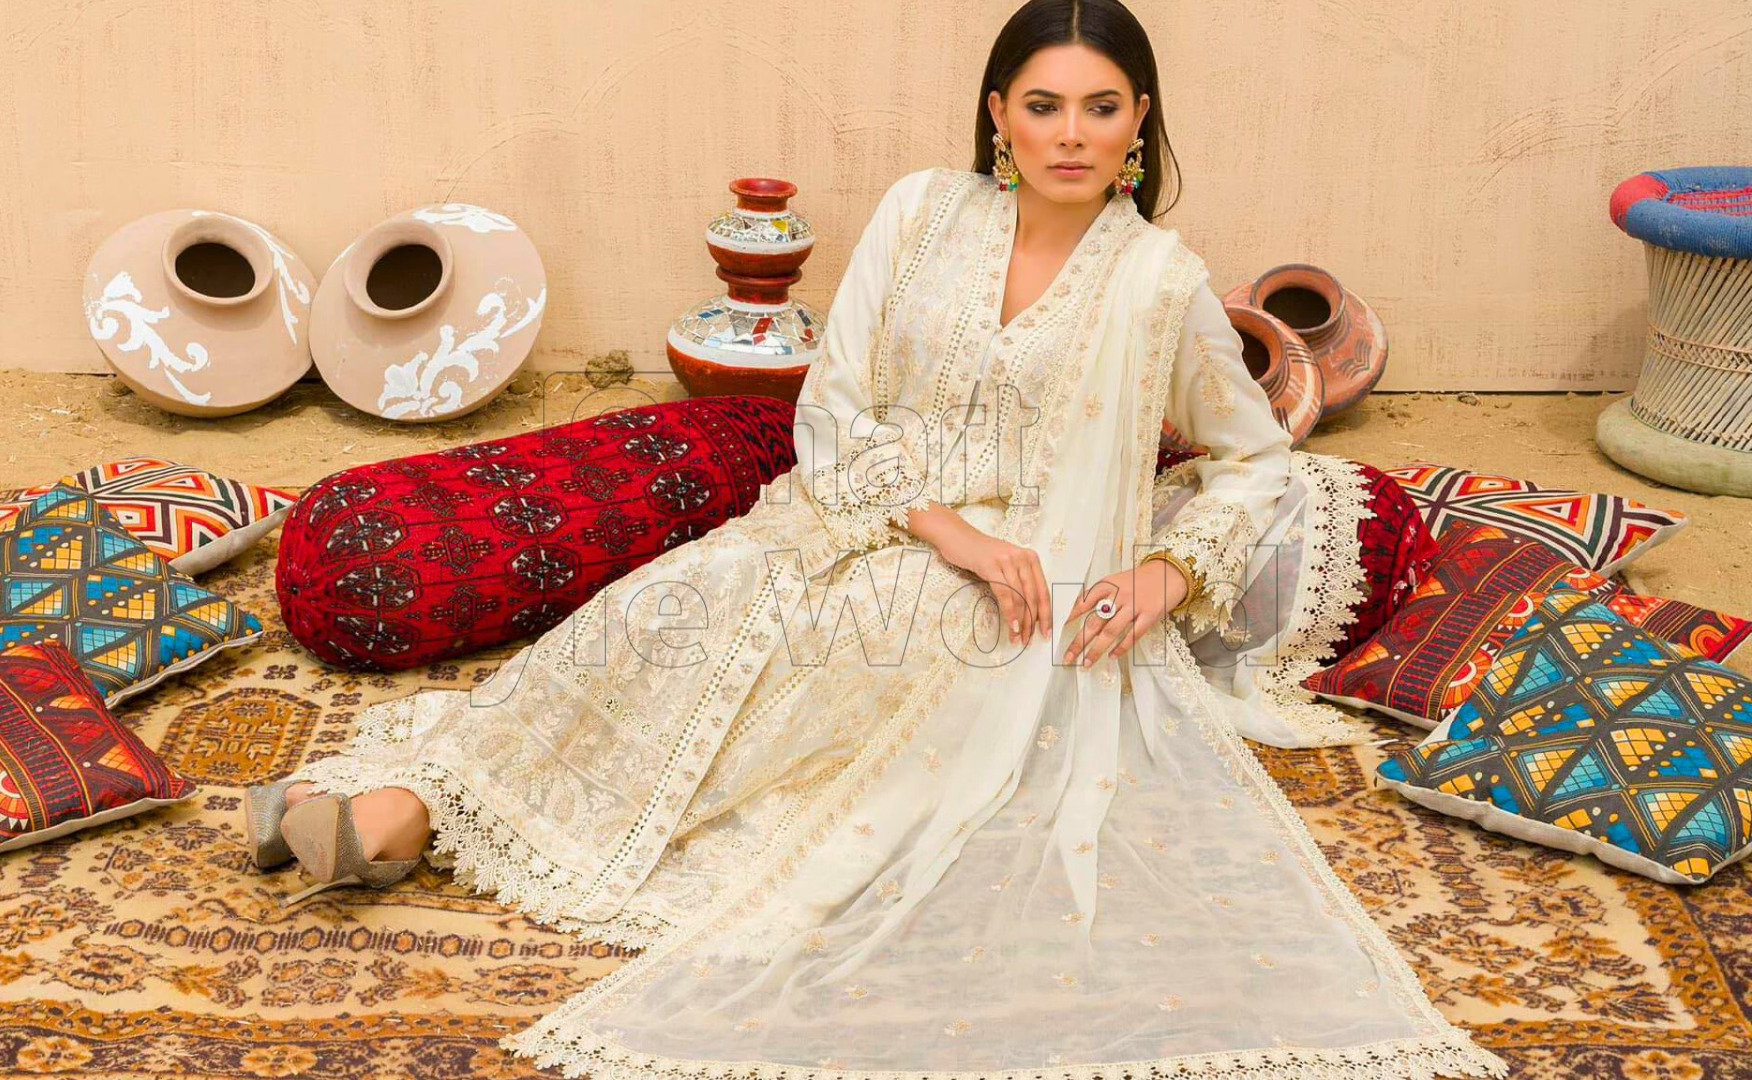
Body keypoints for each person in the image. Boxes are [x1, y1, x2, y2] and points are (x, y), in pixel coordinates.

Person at [246, 2, 1509, 1075]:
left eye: (1102, 108)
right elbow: (837, 402)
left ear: (1140, 123)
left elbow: (1254, 456)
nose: (1072, 134)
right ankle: (419, 798)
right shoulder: (921, 215)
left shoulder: (1159, 282)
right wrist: (942, 526)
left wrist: (1165, 573)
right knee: (676, 608)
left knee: (852, 649)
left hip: (1022, 588)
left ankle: (401, 824)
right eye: (1045, 105)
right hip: (864, 507)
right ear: (999, 114)